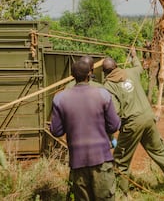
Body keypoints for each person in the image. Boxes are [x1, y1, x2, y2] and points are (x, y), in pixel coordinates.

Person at [102, 48, 164, 197]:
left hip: (132, 123)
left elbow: (116, 112)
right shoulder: (131, 72)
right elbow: (139, 67)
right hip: (148, 117)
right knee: (160, 152)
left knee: (121, 161)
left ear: (105, 73)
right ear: (116, 66)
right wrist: (134, 55)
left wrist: (109, 131)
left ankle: (122, 194)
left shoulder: (108, 86)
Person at [50, 60, 121, 201]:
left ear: (72, 76)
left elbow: (56, 131)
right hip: (101, 160)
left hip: (78, 162)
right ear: (90, 73)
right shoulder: (103, 94)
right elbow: (114, 126)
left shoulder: (60, 98)